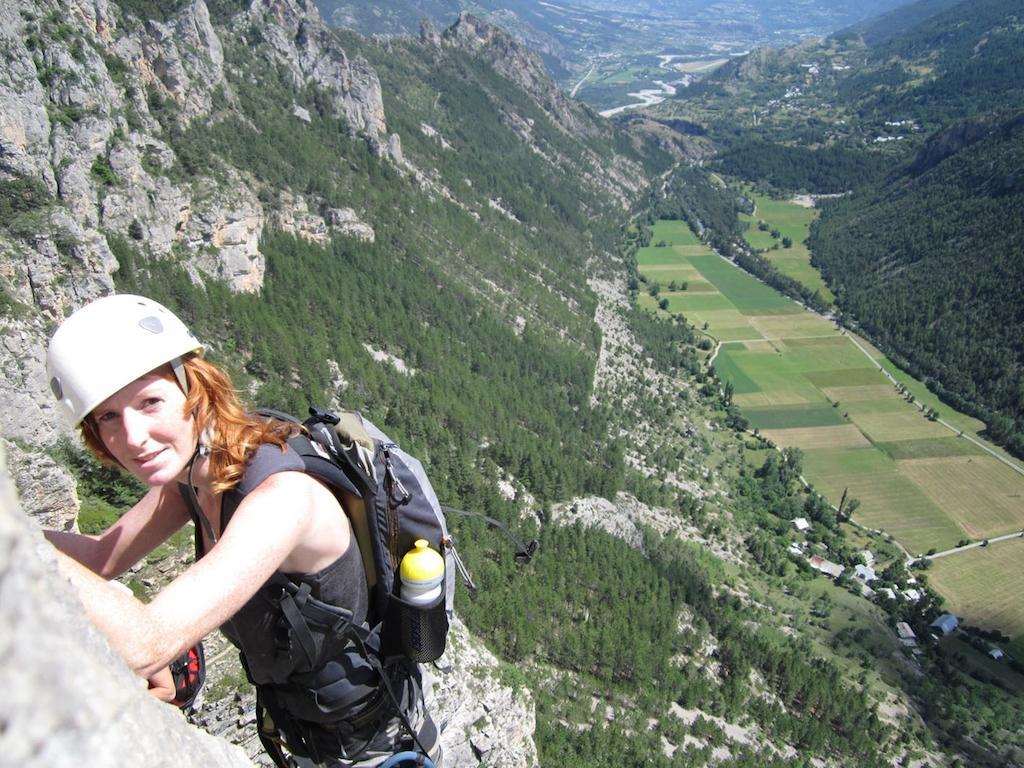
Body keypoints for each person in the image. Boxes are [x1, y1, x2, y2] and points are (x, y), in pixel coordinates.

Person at [44, 294, 440, 767]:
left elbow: (146, 644)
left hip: (374, 748)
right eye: (108, 416)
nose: (132, 438)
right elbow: (100, 557)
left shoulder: (283, 500)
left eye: (150, 402)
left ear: (195, 389)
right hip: (303, 735)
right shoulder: (193, 476)